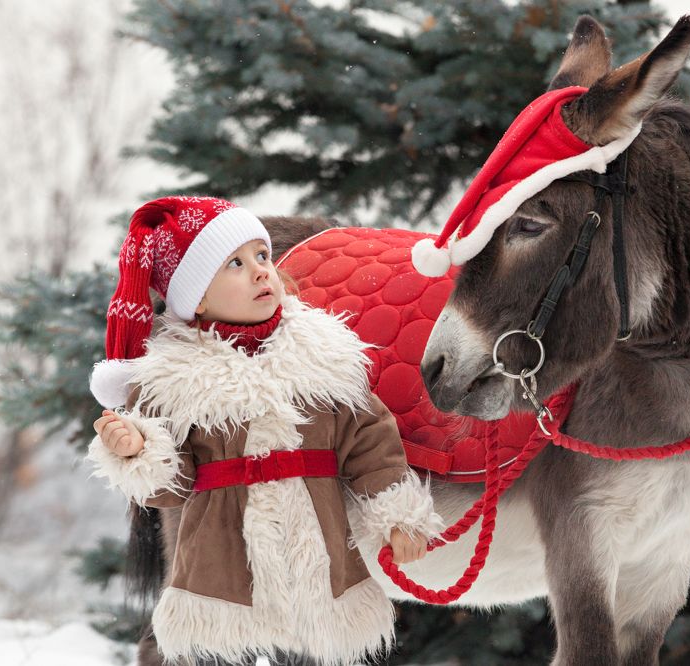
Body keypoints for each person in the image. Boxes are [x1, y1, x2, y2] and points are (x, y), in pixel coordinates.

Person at [85, 196, 443, 666]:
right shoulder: (174, 383)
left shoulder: (325, 360)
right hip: (219, 584)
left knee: (317, 653)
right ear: (197, 298)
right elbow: (171, 489)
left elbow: (370, 442)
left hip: (318, 574)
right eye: (235, 263)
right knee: (215, 653)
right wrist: (139, 450)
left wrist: (397, 515)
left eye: (262, 256)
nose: (260, 271)